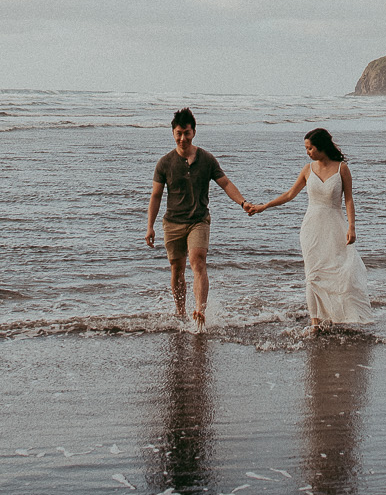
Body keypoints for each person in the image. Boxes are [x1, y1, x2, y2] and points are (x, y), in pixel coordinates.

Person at [247, 127, 373, 331]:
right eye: (306, 148)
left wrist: (352, 227)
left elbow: (349, 199)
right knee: (313, 274)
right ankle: (315, 322)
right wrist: (264, 206)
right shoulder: (307, 169)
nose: (307, 152)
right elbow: (289, 194)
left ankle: (336, 315)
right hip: (311, 228)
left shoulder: (342, 169)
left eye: (310, 148)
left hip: (335, 226)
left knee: (341, 272)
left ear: (321, 147)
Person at [145, 107, 252, 326]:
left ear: (194, 132)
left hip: (199, 221)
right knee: (177, 269)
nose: (182, 138)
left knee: (198, 261)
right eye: (178, 133)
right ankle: (180, 312)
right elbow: (156, 196)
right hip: (173, 222)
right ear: (173, 133)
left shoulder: (207, 159)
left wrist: (242, 202)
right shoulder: (164, 163)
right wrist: (150, 226)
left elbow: (226, 183)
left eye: (186, 133)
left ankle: (199, 311)